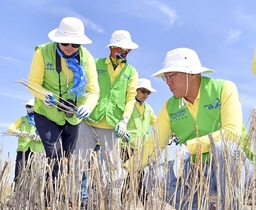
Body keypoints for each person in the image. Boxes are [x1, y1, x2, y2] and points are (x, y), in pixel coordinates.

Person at [124, 48, 254, 210]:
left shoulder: (224, 89)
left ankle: (231, 206)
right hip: (198, 171)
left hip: (238, 170)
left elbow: (232, 132)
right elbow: (153, 146)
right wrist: (127, 169)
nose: (168, 82)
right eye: (166, 78)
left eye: (172, 76)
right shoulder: (169, 107)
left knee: (223, 148)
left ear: (191, 73)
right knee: (155, 176)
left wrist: (189, 147)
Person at [27, 16, 100, 200]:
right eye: (64, 42)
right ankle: (49, 199)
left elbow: (93, 91)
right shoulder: (42, 52)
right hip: (46, 113)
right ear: (57, 39)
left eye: (75, 44)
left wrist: (88, 107)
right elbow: (33, 83)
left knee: (66, 161)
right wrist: (44, 95)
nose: (69, 47)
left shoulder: (88, 58)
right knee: (55, 153)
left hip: (72, 117)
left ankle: (59, 196)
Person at [75, 29, 139, 207]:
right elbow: (83, 86)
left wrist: (124, 120)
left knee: (112, 170)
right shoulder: (95, 64)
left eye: (127, 50)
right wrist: (82, 105)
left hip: (112, 125)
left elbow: (130, 98)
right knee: (78, 164)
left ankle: (112, 204)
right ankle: (77, 201)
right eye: (121, 48)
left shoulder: (131, 72)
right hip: (90, 120)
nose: (124, 52)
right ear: (112, 47)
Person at [120, 78, 157, 205]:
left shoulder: (149, 109)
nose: (145, 95)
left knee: (133, 175)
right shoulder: (127, 104)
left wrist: (172, 132)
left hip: (141, 147)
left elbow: (157, 123)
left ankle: (121, 201)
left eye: (148, 92)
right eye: (143, 91)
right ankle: (146, 203)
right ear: (135, 90)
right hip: (126, 145)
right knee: (137, 174)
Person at [7, 99, 44, 185]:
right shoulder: (22, 119)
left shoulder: (41, 121)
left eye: (31, 106)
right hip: (23, 151)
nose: (29, 109)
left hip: (36, 152)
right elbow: (10, 128)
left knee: (34, 177)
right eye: (28, 106)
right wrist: (20, 133)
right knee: (19, 176)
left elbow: (47, 135)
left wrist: (40, 137)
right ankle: (18, 195)